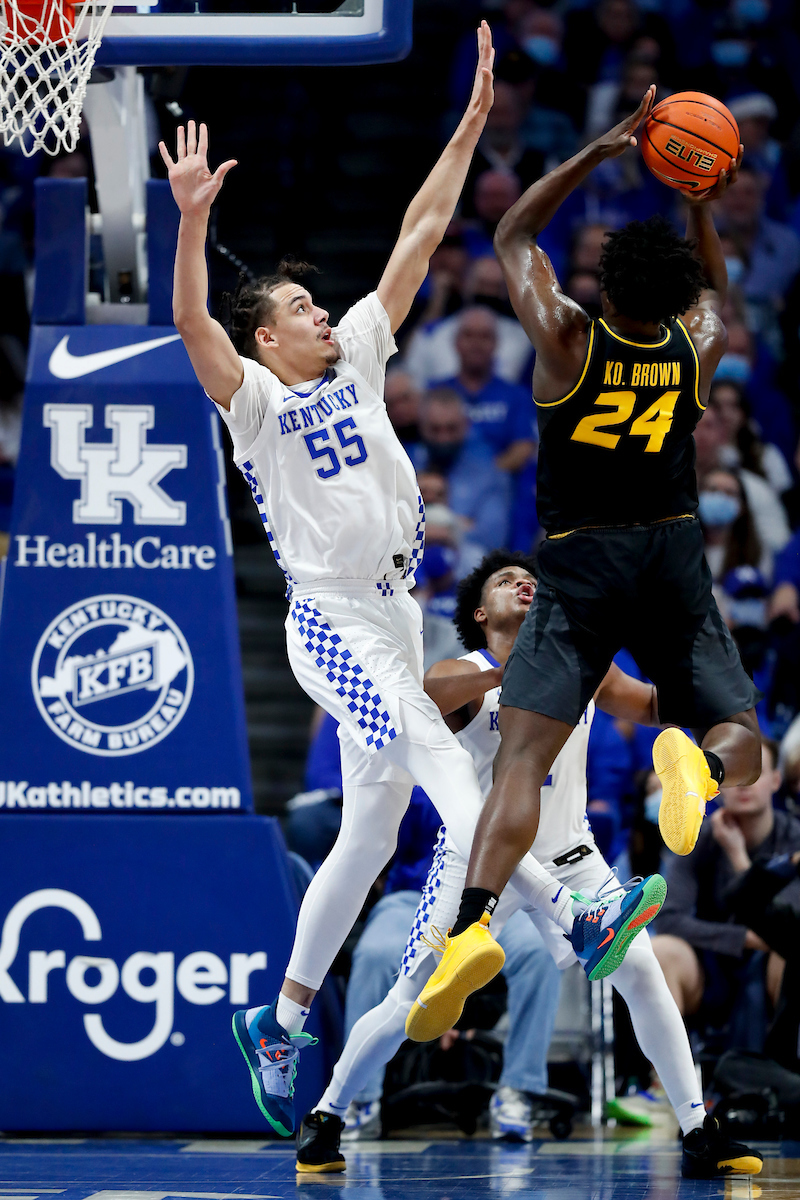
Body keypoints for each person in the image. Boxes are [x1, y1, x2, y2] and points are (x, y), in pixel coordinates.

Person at [160, 26, 654, 1142]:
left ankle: (280, 1021)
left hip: (396, 607)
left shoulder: (363, 356)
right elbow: (191, 320)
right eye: (298, 309)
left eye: (317, 306)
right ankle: (579, 910)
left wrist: (471, 122)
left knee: (371, 835)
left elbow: (420, 232)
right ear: (265, 336)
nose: (320, 314)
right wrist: (191, 221)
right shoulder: (256, 404)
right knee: (440, 756)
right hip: (331, 619)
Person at [413, 86, 763, 1111]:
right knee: (735, 719)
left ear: (603, 284)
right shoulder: (690, 346)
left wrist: (597, 150)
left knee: (522, 749)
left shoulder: (568, 339)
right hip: (669, 552)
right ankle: (696, 762)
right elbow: (720, 298)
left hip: (576, 565)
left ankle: (471, 925)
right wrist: (698, 194)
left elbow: (511, 226)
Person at [295, 554, 761, 1178]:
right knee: (408, 1001)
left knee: (643, 973)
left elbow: (653, 704)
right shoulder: (464, 671)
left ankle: (699, 1129)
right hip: (482, 862)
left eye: (530, 578)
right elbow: (429, 692)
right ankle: (327, 1113)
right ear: (482, 613)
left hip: (570, 855)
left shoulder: (584, 667)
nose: (524, 581)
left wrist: (712, 690)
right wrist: (508, 674)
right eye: (504, 581)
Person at [652, 739, 800, 1043]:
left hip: (773, 968)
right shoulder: (694, 840)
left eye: (754, 774)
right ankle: (664, 1082)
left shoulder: (794, 839)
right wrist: (742, 939)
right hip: (710, 967)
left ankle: (787, 1073)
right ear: (715, 787)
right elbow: (668, 920)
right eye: (734, 776)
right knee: (661, 950)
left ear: (775, 781)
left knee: (790, 952)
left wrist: (738, 859)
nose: (744, 785)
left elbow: (785, 924)